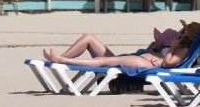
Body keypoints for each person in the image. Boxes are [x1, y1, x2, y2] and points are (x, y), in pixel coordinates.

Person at [43, 22, 197, 69]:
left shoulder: (183, 49)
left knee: (105, 62)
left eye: (184, 31)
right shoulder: (178, 45)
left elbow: (167, 63)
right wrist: (155, 46)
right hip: (140, 57)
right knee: (88, 37)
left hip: (147, 63)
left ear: (188, 36)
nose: (181, 32)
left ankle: (64, 61)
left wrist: (173, 47)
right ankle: (60, 57)